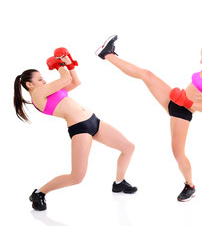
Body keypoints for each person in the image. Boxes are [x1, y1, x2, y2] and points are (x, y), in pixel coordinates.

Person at [95, 35, 202, 202]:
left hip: (182, 113)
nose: (201, 61)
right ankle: (107, 55)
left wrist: (186, 101)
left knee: (178, 154)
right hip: (174, 100)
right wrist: (181, 98)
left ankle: (190, 186)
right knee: (146, 74)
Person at [13, 47, 137, 211]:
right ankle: (39, 193)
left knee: (128, 147)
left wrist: (69, 64)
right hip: (80, 129)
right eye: (40, 79)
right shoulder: (37, 95)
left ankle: (119, 183)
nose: (44, 81)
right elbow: (65, 78)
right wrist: (59, 65)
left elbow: (74, 82)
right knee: (77, 177)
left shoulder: (48, 91)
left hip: (94, 121)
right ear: (30, 84)